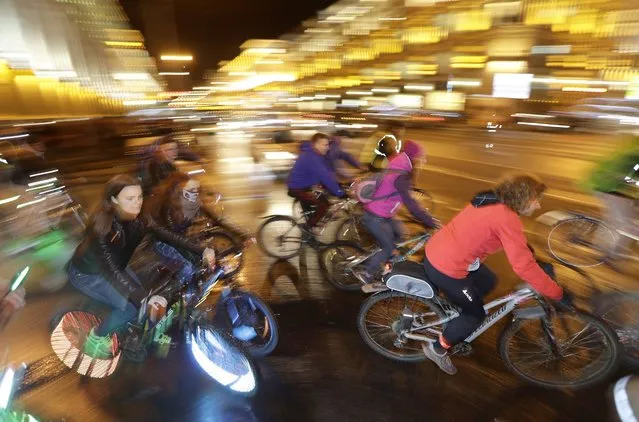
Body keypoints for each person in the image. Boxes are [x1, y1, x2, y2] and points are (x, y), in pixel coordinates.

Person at [421, 174, 568, 375]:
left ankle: (457, 315)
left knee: (489, 280)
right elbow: (522, 266)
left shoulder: (491, 201)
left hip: (440, 251)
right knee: (476, 315)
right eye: (535, 201)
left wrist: (535, 260)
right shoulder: (506, 217)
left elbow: (516, 245)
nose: (538, 207)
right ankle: (437, 348)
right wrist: (557, 293)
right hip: (446, 267)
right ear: (522, 199)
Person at [68, 174, 215, 358]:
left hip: (117, 267)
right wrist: (143, 298)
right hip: (90, 274)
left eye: (139, 197)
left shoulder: (141, 218)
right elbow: (111, 270)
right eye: (130, 199)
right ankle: (96, 337)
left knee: (142, 298)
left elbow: (168, 235)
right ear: (114, 200)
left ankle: (131, 335)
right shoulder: (102, 227)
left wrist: (201, 250)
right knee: (132, 307)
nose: (137, 203)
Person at [144, 172, 254, 284]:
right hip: (163, 242)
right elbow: (173, 237)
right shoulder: (167, 207)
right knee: (188, 269)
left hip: (181, 240)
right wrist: (200, 250)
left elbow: (217, 219)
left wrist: (242, 235)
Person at [354, 138, 437, 284]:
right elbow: (410, 203)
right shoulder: (402, 175)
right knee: (388, 247)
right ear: (413, 158)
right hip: (375, 216)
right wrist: (428, 220)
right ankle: (366, 272)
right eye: (421, 157)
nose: (423, 161)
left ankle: (384, 259)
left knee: (402, 234)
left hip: (385, 213)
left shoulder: (399, 165)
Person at [583, 136, 639, 266]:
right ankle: (607, 254)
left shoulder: (634, 150)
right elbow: (630, 178)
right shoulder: (635, 154)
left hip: (614, 186)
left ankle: (614, 252)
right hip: (608, 187)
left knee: (625, 219)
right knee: (624, 223)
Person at [287, 133, 347, 232]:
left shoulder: (316, 155)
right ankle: (306, 230)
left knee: (320, 204)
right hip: (297, 188)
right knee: (323, 205)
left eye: (328, 145)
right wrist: (340, 193)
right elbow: (324, 176)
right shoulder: (311, 158)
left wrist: (339, 185)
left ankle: (309, 233)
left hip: (306, 186)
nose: (328, 148)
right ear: (315, 144)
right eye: (325, 145)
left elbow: (327, 174)